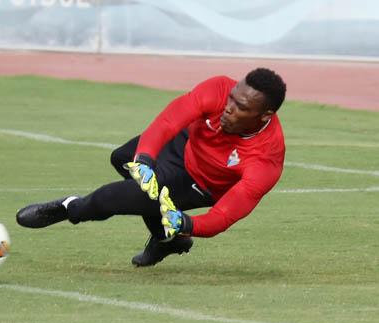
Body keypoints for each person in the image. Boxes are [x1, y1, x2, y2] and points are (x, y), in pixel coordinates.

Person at [16, 67, 287, 267]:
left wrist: (186, 223)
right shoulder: (218, 89)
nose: (228, 108)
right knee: (122, 158)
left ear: (265, 115)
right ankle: (165, 239)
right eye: (231, 98)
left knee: (112, 198)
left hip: (196, 184)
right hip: (185, 145)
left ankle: (70, 207)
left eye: (240, 107)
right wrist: (145, 159)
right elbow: (167, 123)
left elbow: (224, 216)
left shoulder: (266, 159)